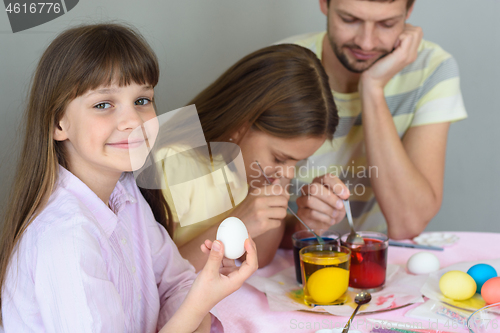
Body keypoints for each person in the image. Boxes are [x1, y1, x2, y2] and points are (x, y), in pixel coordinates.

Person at [0, 23, 258, 333]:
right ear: (59, 124)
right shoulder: (66, 239)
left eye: (142, 101)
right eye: (103, 104)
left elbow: (178, 283)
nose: (133, 121)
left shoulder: (127, 195)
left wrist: (195, 300)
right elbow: (189, 302)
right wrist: (198, 304)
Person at [279, 0, 467, 239]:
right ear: (324, 4)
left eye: (387, 24)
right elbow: (259, 233)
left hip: (374, 254)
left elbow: (408, 223)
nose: (366, 42)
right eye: (349, 20)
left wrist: (372, 87)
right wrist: (302, 226)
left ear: (408, 12)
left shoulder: (433, 68)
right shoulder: (279, 69)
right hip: (296, 254)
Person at [156, 44, 350, 271]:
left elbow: (262, 258)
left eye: (298, 162)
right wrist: (236, 224)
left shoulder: (255, 172)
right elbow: (154, 279)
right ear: (239, 126)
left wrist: (309, 224)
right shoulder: (173, 163)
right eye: (279, 158)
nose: (289, 173)